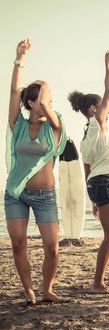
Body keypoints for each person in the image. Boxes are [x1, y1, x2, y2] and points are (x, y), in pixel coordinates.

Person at [5, 39, 67, 305]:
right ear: (30, 102)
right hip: (16, 193)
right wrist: (20, 58)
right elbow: (12, 92)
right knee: (19, 243)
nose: (48, 104)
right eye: (43, 100)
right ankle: (29, 290)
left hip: (45, 195)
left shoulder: (54, 124)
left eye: (50, 101)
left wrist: (45, 85)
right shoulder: (17, 124)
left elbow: (46, 103)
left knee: (52, 247)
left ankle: (47, 288)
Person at [68, 49, 109, 293]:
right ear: (94, 108)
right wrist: (108, 63)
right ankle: (98, 283)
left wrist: (93, 199)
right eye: (102, 105)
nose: (107, 107)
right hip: (103, 183)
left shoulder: (88, 134)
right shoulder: (97, 122)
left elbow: (86, 168)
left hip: (101, 184)